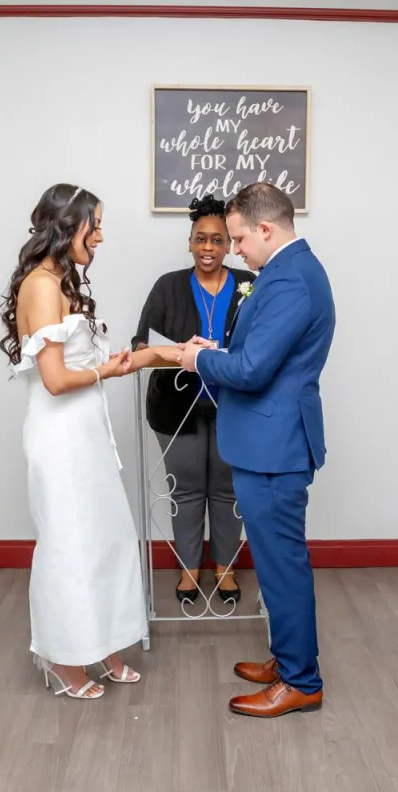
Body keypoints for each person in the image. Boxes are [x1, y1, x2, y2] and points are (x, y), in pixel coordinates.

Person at [0, 183, 179, 701]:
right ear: (66, 226)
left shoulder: (66, 282)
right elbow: (56, 380)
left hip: (87, 433)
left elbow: (103, 367)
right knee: (70, 543)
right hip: (59, 437)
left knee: (105, 536)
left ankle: (103, 644)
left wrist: (176, 353)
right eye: (93, 225)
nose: (100, 236)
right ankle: (64, 657)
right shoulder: (40, 285)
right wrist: (105, 369)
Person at [178, 182, 335, 718]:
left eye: (240, 238)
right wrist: (217, 349)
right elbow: (255, 354)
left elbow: (252, 370)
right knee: (273, 565)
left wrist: (197, 360)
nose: (235, 249)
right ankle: (288, 658)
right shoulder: (286, 273)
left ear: (266, 229)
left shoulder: (292, 280)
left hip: (276, 446)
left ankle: (301, 681)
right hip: (267, 440)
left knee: (282, 566)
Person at [131, 194, 256, 605]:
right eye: (200, 239)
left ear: (229, 245)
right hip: (176, 407)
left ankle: (225, 568)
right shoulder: (167, 287)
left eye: (217, 240)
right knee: (185, 491)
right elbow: (142, 343)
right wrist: (178, 352)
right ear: (189, 242)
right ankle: (188, 570)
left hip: (235, 408)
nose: (208, 248)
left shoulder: (248, 286)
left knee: (227, 491)